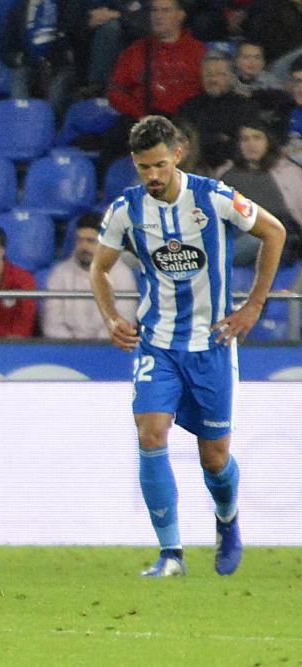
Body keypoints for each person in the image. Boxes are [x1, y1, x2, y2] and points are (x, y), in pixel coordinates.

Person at [89, 115, 286, 577]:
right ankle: (170, 554)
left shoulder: (212, 197)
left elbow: (273, 232)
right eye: (143, 168)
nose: (153, 176)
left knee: (214, 458)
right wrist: (112, 317)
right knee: (150, 432)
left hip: (212, 344)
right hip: (157, 342)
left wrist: (254, 306)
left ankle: (227, 519)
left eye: (159, 165)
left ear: (177, 155)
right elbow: (98, 269)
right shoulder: (127, 208)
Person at [215, 118, 302, 265]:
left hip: (280, 235)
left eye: (257, 138)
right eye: (245, 139)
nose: (251, 144)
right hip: (238, 234)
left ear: (268, 142)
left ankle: (211, 263)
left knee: (263, 236)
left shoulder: (289, 172)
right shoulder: (226, 174)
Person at [42, 213, 138, 339]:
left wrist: (93, 348)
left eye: (90, 241)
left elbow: (124, 320)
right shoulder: (60, 273)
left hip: (108, 349)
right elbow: (52, 324)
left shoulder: (122, 274)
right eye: (79, 240)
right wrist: (74, 347)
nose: (83, 247)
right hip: (65, 349)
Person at [106, 0, 205, 120]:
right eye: (154, 10)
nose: (158, 16)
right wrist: (139, 115)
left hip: (186, 125)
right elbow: (116, 90)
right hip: (142, 123)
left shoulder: (199, 52)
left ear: (180, 15)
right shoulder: (135, 50)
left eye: (165, 10)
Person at [176, 50, 259, 171]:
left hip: (236, 170)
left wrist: (206, 139)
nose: (213, 79)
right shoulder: (188, 108)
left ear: (231, 77)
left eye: (220, 74)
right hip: (195, 170)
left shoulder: (246, 107)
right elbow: (183, 143)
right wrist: (219, 139)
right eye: (209, 74)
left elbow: (244, 145)